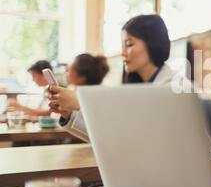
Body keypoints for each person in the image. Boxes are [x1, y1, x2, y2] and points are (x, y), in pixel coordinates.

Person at [49, 14, 190, 142]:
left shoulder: (177, 87)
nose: (123, 53)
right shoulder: (136, 88)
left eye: (129, 44)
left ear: (153, 43)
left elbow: (143, 138)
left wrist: (82, 103)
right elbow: (113, 138)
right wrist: (68, 114)